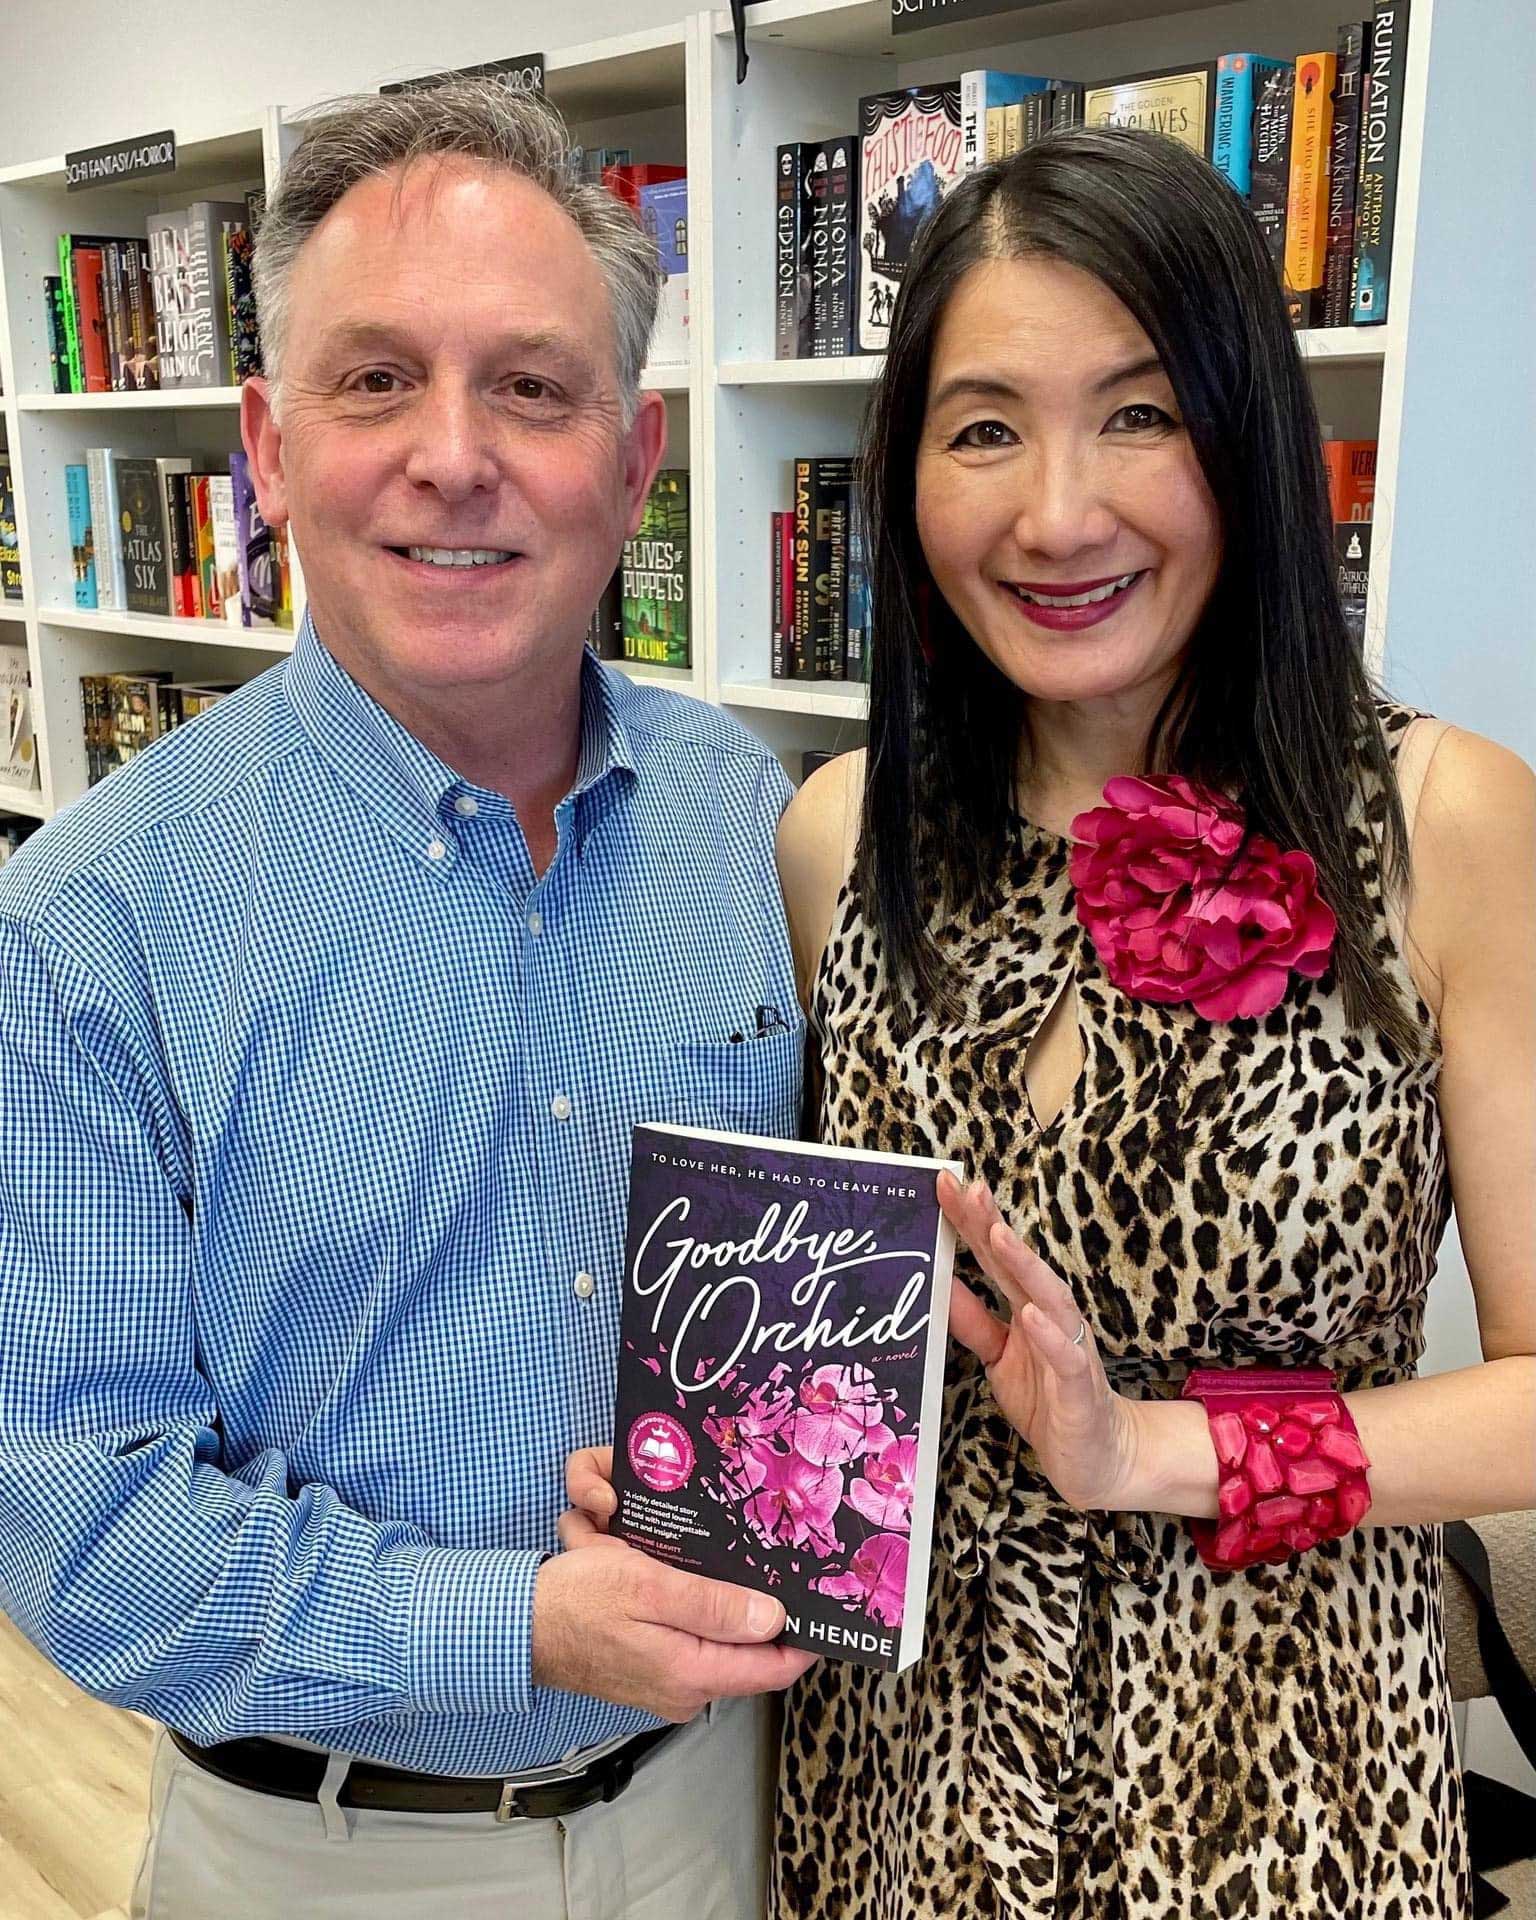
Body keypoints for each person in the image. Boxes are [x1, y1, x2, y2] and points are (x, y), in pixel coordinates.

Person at [572, 125, 1536, 1916]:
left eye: (1143, 415)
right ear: (907, 476)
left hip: (1279, 1757)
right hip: (902, 1753)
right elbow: (832, 1328)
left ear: (1247, 440)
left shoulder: (1446, 823)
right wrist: (700, 1475)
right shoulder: (839, 837)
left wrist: (1152, 1452)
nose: (1058, 512)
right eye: (985, 426)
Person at [0, 83, 811, 1920]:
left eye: (534, 387)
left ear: (636, 456)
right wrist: (519, 1625)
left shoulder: (742, 814)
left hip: (734, 1799)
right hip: (334, 1857)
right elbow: (91, 1537)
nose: (457, 456)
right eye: (376, 382)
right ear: (267, 449)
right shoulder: (81, 933)